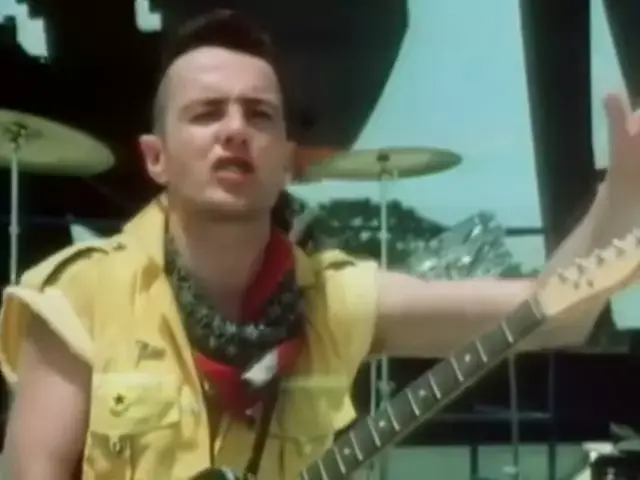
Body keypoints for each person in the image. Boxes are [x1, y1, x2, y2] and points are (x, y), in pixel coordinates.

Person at [1, 8, 639, 480]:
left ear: (287, 159)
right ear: (155, 158)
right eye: (206, 113)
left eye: (259, 115)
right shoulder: (80, 297)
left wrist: (620, 197)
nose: (235, 131)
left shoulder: (335, 298)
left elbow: (559, 313)